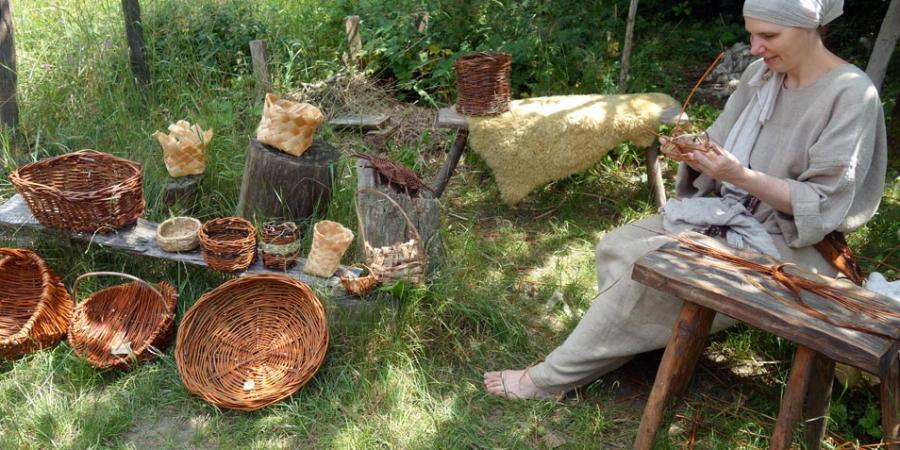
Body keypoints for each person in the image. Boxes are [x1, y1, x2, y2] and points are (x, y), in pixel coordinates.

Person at [484, 0, 887, 400]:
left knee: (639, 280)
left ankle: (550, 380)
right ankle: (642, 344)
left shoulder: (850, 94)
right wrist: (692, 150)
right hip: (735, 214)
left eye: (768, 36)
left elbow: (820, 202)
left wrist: (738, 175)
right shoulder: (760, 75)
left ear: (809, 28)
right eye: (751, 34)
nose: (755, 48)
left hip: (793, 242)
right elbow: (721, 139)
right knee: (618, 246)